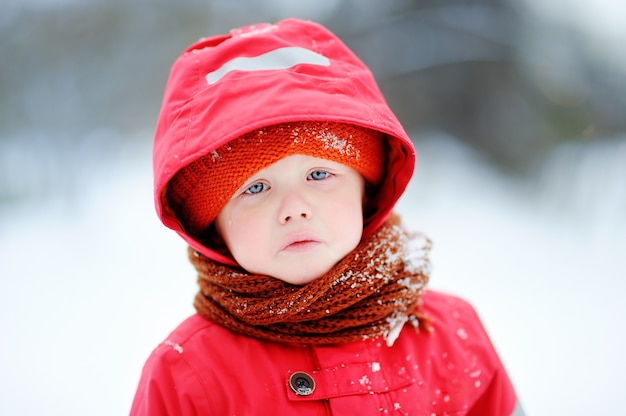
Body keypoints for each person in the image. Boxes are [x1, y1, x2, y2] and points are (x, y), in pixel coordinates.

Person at [130, 18, 524, 415]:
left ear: (365, 191)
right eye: (255, 188)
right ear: (210, 225)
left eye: (319, 175)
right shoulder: (187, 374)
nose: (295, 208)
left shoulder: (453, 336)